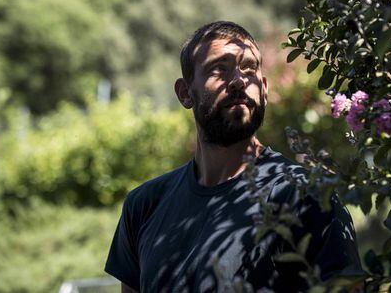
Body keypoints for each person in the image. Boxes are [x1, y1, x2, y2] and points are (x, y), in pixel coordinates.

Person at [105, 21, 363, 292]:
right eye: (220, 69)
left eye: (249, 68)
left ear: (264, 88)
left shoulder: (307, 196)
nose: (240, 81)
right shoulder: (144, 206)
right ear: (185, 93)